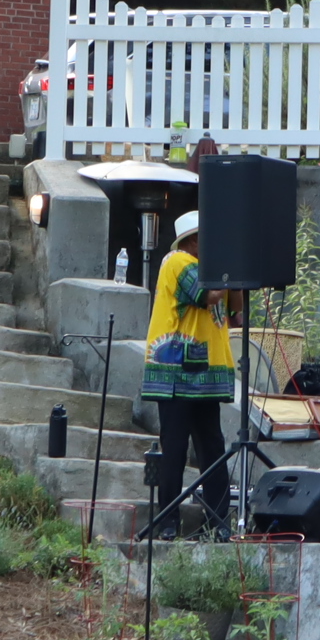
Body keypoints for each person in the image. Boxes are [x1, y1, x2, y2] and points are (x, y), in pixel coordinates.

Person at [140, 211, 235, 537]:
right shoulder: (177, 260)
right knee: (175, 448)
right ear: (193, 240)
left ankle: (218, 523)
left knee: (213, 447)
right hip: (176, 372)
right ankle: (168, 522)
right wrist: (226, 264)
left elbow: (235, 305)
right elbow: (210, 295)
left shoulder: (209, 269)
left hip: (204, 372)